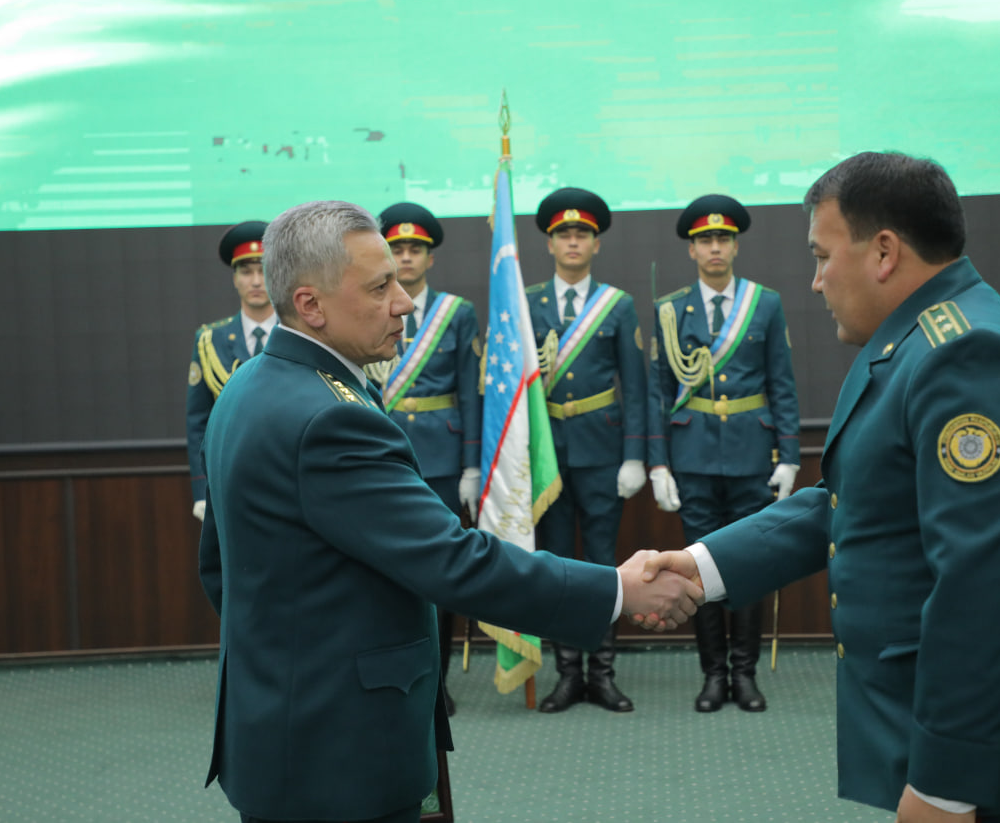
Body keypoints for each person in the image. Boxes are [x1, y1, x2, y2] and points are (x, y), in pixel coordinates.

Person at [640, 152, 1000, 822]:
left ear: (883, 252)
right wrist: (704, 567)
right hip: (983, 746)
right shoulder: (912, 344)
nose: (816, 281)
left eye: (823, 256)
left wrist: (943, 784)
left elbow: (982, 583)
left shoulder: (966, 355)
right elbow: (847, 502)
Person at [197, 200, 703, 823]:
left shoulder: (249, 385)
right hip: (338, 751)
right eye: (380, 287)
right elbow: (454, 562)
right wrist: (617, 590)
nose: (404, 303)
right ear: (311, 305)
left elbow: (220, 571)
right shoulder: (330, 417)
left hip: (279, 729)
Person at [646, 194, 801, 713]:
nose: (715, 247)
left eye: (723, 239)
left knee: (749, 565)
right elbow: (658, 392)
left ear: (735, 247)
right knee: (698, 567)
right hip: (691, 456)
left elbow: (782, 383)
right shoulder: (671, 310)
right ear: (691, 250)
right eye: (705, 240)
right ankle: (713, 674)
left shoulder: (765, 303)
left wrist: (789, 456)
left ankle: (745, 674)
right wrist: (659, 463)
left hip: (752, 454)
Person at [525, 187, 648, 713]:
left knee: (601, 566)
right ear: (550, 244)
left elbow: (636, 386)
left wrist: (635, 455)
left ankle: (602, 674)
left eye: (582, 234)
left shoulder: (617, 305)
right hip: (547, 454)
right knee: (555, 566)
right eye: (563, 234)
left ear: (596, 244)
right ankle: (567, 674)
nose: (572, 242)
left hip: (602, 451)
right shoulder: (526, 303)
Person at [371, 201, 481, 716]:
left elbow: (471, 393)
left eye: (416, 249)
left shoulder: (457, 313)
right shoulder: (366, 308)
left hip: (442, 458)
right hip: (381, 452)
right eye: (397, 248)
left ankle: (437, 682)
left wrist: (472, 465)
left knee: (440, 570)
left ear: (430, 257)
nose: (407, 257)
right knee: (385, 572)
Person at [185, 220, 277, 522]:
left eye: (263, 270)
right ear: (235, 278)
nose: (256, 281)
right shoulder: (210, 340)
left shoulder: (299, 334)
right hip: (232, 480)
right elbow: (199, 422)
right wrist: (201, 489)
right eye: (246, 271)